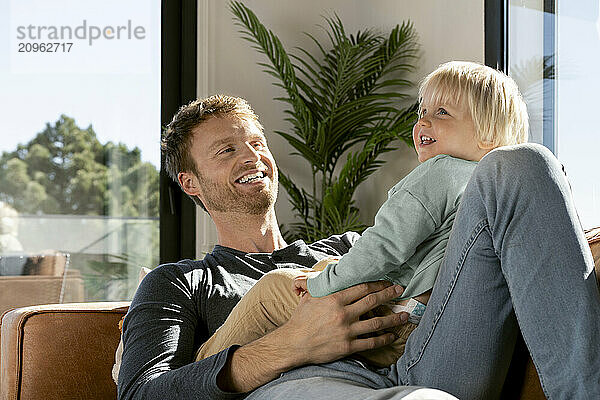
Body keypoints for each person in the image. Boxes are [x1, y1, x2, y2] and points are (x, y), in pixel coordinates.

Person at [119, 73, 600, 399]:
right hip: (305, 384)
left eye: (256, 143)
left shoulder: (350, 248)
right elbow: (143, 393)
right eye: (227, 150)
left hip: (421, 357)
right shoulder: (180, 283)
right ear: (191, 184)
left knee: (522, 164)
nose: (251, 157)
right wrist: (291, 346)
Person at [194, 61, 529, 368]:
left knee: (271, 289)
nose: (423, 121)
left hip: (388, 317)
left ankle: (196, 372)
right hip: (420, 329)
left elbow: (384, 246)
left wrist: (322, 284)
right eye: (422, 110)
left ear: (487, 133)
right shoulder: (493, 190)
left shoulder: (441, 172)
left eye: (441, 112)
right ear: (188, 182)